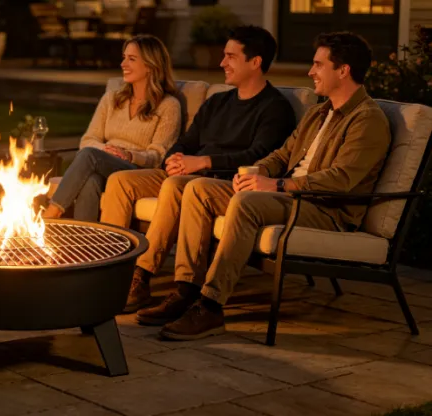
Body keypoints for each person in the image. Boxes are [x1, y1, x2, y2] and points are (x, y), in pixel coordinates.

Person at [144, 31, 390, 341]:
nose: (310, 72)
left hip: (326, 208)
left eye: (318, 65)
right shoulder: (319, 112)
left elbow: (339, 179)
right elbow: (283, 155)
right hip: (291, 197)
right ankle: (186, 289)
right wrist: (255, 172)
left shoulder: (367, 119)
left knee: (246, 203)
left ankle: (210, 306)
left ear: (343, 70)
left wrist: (276, 184)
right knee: (197, 188)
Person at [99, 25, 297, 314]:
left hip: (222, 180)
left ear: (255, 62)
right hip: (190, 172)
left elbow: (259, 156)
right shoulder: (218, 101)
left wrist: (204, 162)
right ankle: (109, 271)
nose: (222, 63)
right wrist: (174, 159)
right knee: (121, 181)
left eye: (230, 56)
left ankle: (142, 277)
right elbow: (186, 141)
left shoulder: (275, 108)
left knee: (175, 185)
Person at [42, 35, 181, 222]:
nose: (123, 64)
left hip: (136, 169)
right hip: (104, 163)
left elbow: (158, 155)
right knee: (90, 180)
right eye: (124, 58)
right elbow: (88, 140)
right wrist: (106, 150)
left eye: (132, 59)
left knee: (89, 155)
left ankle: (51, 215)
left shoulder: (169, 106)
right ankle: (87, 240)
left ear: (150, 65)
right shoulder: (112, 99)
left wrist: (129, 155)